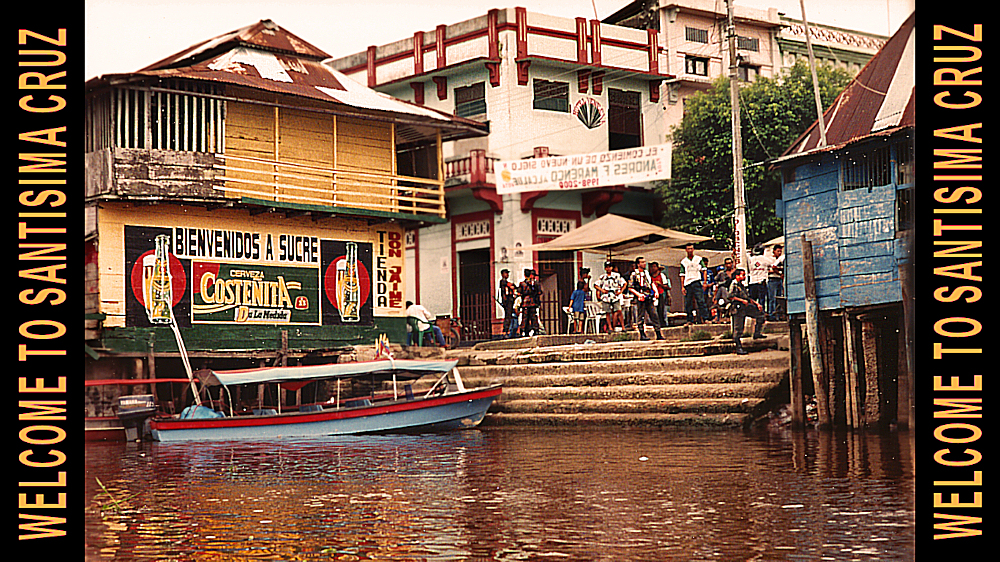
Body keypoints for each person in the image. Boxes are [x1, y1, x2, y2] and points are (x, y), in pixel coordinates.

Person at [727, 269, 766, 355]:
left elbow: (747, 297)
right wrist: (741, 300)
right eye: (742, 275)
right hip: (737, 308)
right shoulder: (734, 284)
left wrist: (756, 303)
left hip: (745, 307)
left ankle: (757, 333)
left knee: (760, 315)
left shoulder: (741, 285)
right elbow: (730, 296)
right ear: (737, 276)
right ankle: (738, 347)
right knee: (738, 329)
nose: (744, 277)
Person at [628, 256, 664, 341]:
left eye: (644, 262)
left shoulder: (646, 273)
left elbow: (651, 283)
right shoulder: (634, 274)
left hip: (648, 296)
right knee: (641, 316)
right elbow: (630, 287)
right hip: (640, 296)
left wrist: (656, 291)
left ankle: (658, 333)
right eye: (642, 262)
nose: (644, 264)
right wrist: (638, 294)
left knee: (654, 315)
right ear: (638, 264)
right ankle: (642, 334)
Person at [680, 243, 710, 324]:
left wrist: (704, 282)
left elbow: (704, 270)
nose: (690, 250)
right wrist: (682, 286)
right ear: (686, 250)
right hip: (687, 283)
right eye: (688, 249)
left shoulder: (698, 259)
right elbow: (682, 274)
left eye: (691, 248)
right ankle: (689, 320)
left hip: (696, 281)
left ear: (693, 249)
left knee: (700, 301)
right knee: (688, 302)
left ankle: (705, 318)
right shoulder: (684, 262)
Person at [594, 261, 626, 333]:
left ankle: (622, 326)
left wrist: (620, 291)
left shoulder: (616, 275)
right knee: (607, 312)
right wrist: (602, 290)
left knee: (618, 310)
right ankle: (610, 327)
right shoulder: (602, 277)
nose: (608, 268)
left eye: (610, 267)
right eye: (607, 267)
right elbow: (596, 285)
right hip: (606, 296)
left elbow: (624, 283)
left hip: (615, 295)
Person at [711, 257, 737, 323]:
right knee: (721, 288)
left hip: (734, 291)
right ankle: (719, 306)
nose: (728, 265)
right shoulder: (722, 273)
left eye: (730, 263)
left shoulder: (735, 272)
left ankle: (720, 303)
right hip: (724, 292)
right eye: (727, 264)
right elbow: (716, 283)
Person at [747, 244, 772, 310]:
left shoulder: (750, 259)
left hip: (752, 282)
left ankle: (752, 314)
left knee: (752, 300)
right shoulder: (765, 259)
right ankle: (761, 314)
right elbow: (772, 265)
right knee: (762, 300)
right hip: (761, 282)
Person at [518, 269, 542, 337]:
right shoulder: (523, 283)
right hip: (526, 301)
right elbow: (520, 292)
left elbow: (539, 291)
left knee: (533, 317)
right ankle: (524, 330)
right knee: (525, 317)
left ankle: (535, 330)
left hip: (533, 301)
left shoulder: (535, 283)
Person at [649, 261, 671, 328]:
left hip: (661, 294)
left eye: (654, 266)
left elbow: (667, 286)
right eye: (652, 267)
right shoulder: (650, 277)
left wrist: (660, 284)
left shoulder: (662, 276)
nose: (653, 268)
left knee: (661, 309)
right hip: (653, 295)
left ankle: (662, 323)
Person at [766, 244, 785, 321]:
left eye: (780, 251)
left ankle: (778, 315)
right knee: (772, 298)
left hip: (779, 280)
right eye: (778, 251)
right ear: (774, 251)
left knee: (779, 298)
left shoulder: (781, 259)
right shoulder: (770, 260)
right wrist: (779, 273)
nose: (779, 253)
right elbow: (772, 269)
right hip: (772, 279)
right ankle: (771, 314)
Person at [499, 268, 517, 336]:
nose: (507, 275)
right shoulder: (502, 282)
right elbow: (508, 285)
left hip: (510, 300)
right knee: (508, 315)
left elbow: (513, 286)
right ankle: (506, 330)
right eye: (506, 273)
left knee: (510, 315)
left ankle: (509, 329)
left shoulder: (506, 282)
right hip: (507, 301)